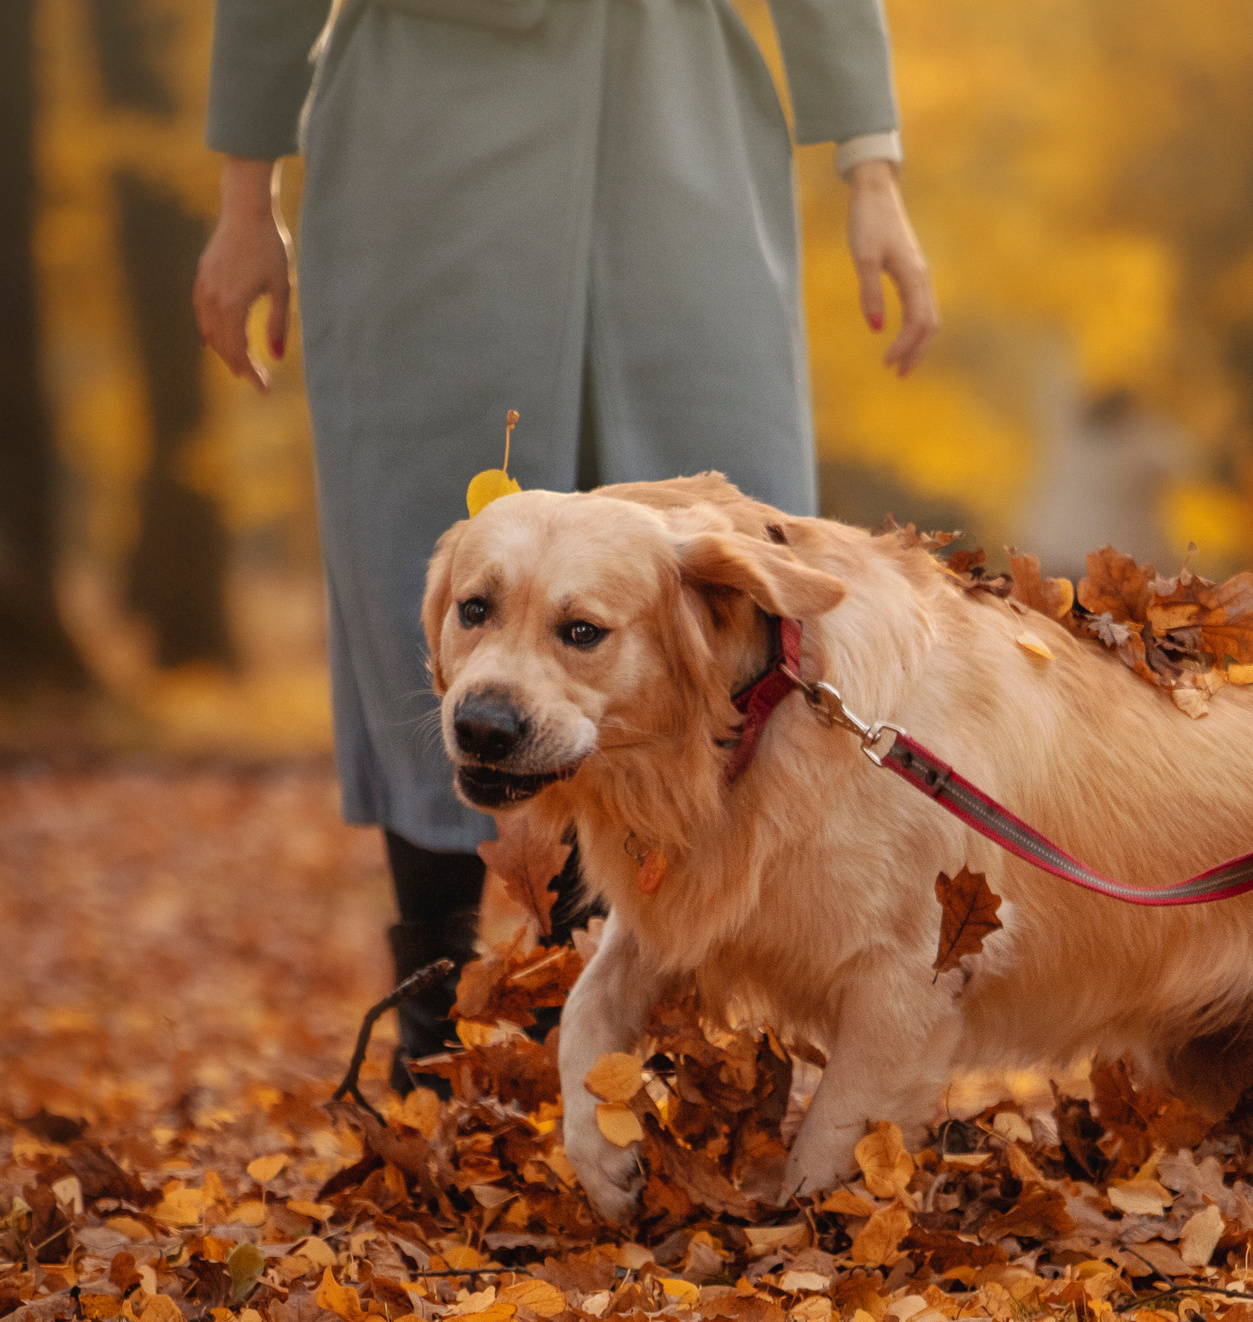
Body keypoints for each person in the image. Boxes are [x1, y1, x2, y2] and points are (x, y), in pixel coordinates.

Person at [193, 0, 937, 1093]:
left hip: (676, 116)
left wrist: (871, 167)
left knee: (720, 562)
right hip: (417, 132)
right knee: (436, 544)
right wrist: (243, 195)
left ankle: (676, 1022)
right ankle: (443, 1026)